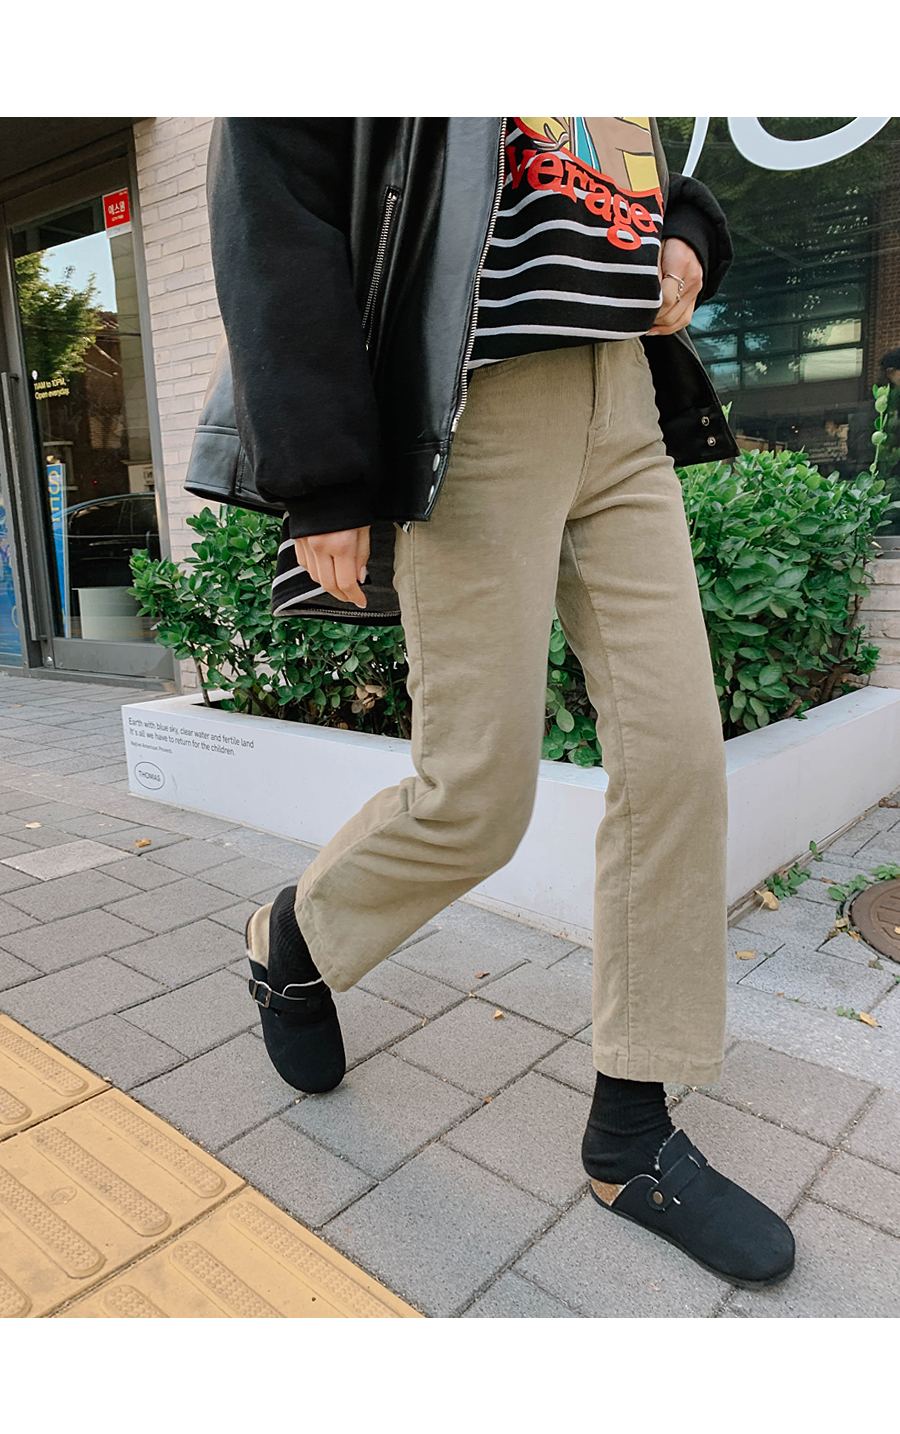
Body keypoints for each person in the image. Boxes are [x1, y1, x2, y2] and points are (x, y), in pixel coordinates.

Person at [201, 117, 795, 1291]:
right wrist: (321, 470)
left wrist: (686, 232)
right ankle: (300, 934)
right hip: (473, 397)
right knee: (476, 796)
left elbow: (626, 152)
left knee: (681, 761)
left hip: (623, 396)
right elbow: (276, 182)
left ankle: (631, 1132)